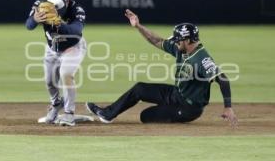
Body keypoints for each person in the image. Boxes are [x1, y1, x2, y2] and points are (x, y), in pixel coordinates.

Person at [86, 9, 238, 126]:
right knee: (140, 88)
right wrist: (138, 26)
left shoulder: (201, 58)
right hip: (176, 94)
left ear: (187, 40)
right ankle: (108, 114)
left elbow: (223, 78)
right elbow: (155, 40)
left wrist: (228, 107)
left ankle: (170, 111)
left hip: (188, 109)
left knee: (146, 116)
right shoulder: (181, 49)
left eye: (178, 40)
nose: (176, 43)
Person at [25, 0, 87, 126]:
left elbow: (76, 31)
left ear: (66, 1)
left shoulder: (76, 9)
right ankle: (56, 104)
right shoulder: (41, 5)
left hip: (73, 47)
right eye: (52, 5)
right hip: (52, 47)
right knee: (49, 81)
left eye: (58, 6)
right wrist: (34, 19)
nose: (54, 9)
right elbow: (28, 25)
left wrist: (60, 24)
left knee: (66, 74)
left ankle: (69, 113)